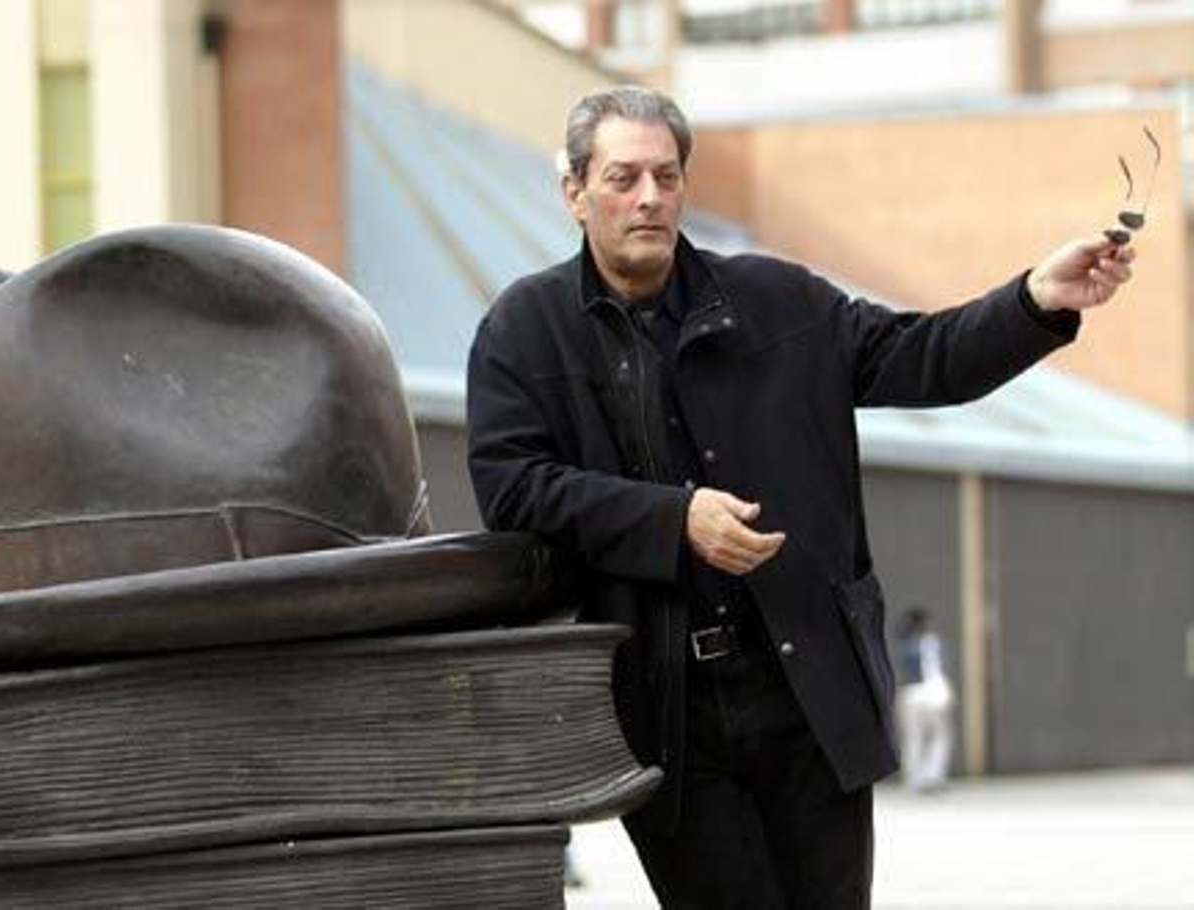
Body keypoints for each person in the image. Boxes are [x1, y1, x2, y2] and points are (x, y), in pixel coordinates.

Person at [465, 85, 1134, 909]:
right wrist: (674, 521)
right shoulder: (523, 331)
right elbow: (512, 487)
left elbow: (924, 356)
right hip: (670, 713)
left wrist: (1035, 299)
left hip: (810, 694)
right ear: (574, 191)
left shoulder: (781, 300)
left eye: (667, 176)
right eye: (622, 177)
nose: (649, 198)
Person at [896, 607, 955, 793]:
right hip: (932, 692)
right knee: (941, 736)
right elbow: (935, 670)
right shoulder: (931, 642)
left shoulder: (905, 644)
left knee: (913, 738)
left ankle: (913, 780)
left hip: (909, 693)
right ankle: (932, 775)